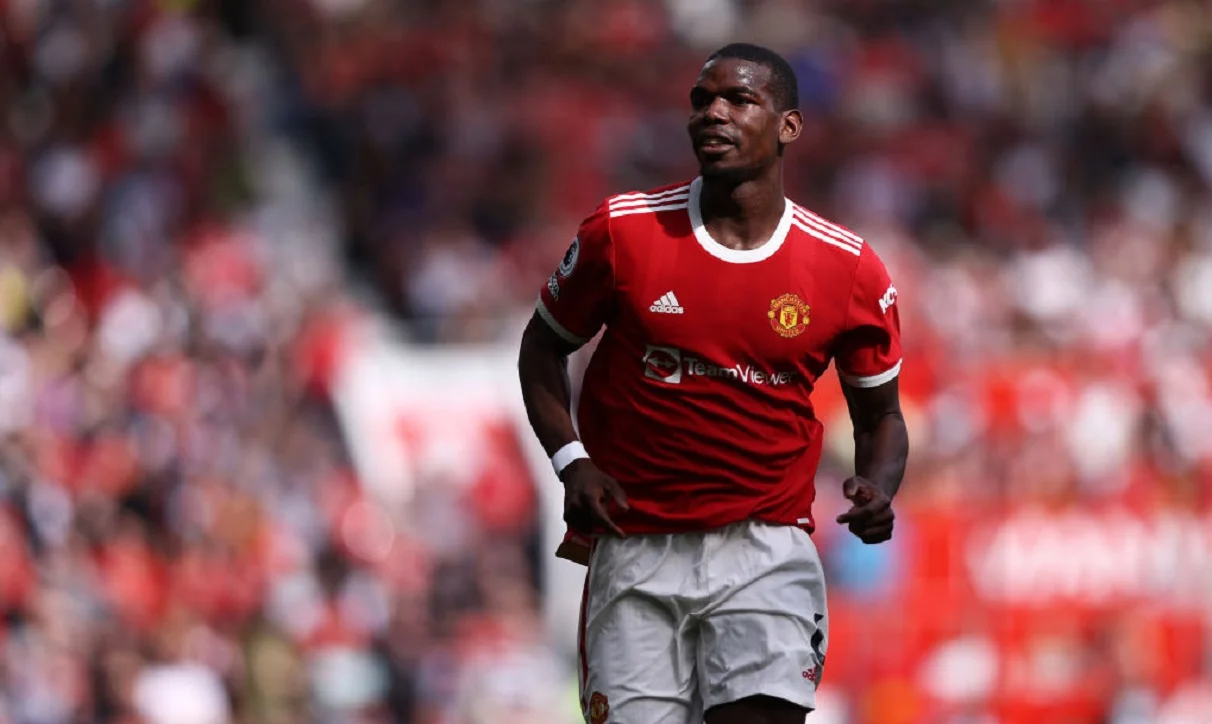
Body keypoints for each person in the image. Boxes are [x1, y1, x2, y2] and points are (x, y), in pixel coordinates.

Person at [517, 42, 908, 724]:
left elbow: (880, 416)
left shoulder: (847, 269)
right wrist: (570, 460)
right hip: (635, 544)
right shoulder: (624, 232)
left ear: (788, 126)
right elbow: (542, 347)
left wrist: (879, 486)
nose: (713, 113)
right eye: (702, 100)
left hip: (766, 547)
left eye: (738, 99)